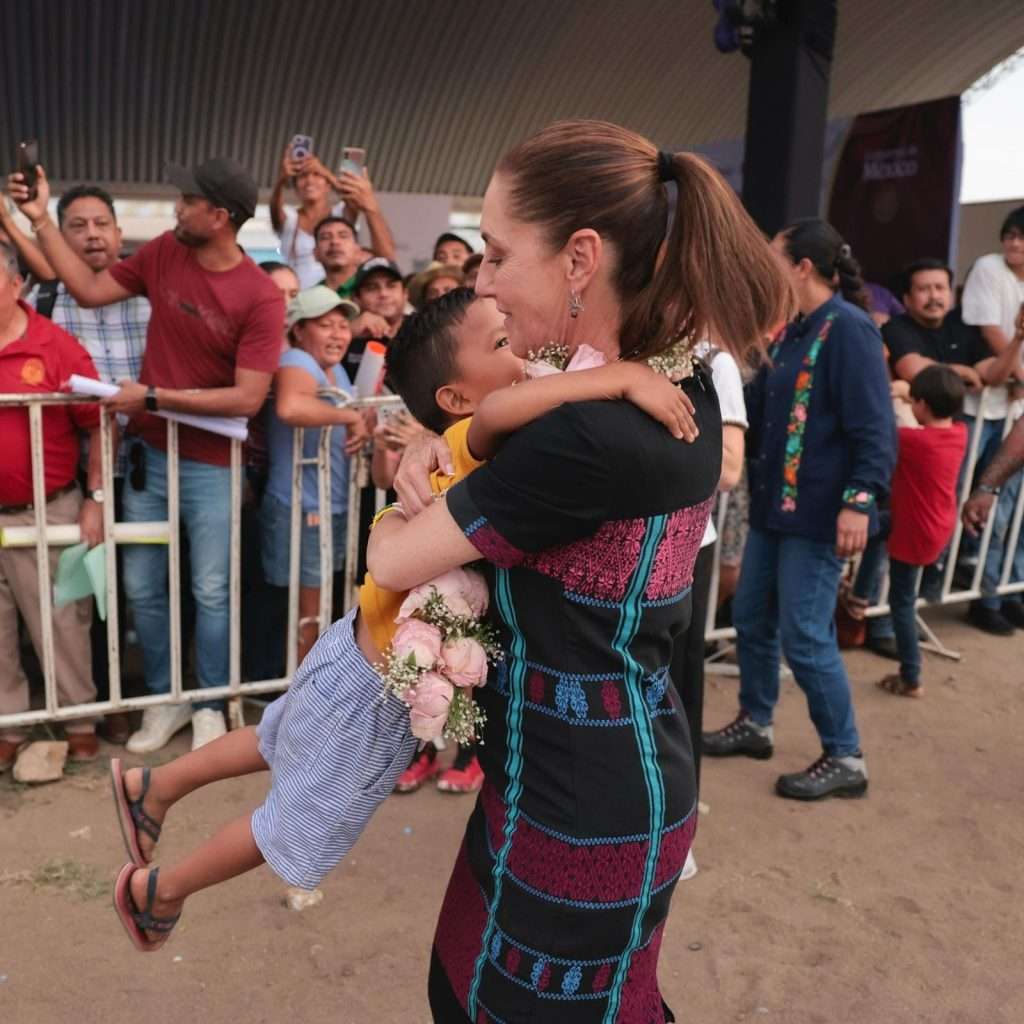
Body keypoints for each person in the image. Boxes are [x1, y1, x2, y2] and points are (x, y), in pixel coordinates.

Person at [107, 288, 692, 952]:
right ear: (457, 398)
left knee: (275, 735)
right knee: (292, 823)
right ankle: (160, 891)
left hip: (353, 651)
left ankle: (154, 785)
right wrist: (621, 378)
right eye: (502, 344)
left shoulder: (461, 439)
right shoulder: (475, 439)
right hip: (377, 688)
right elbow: (500, 407)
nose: (523, 352)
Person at [371, 120, 790, 1023]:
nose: (481, 282)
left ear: (580, 259)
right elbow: (497, 426)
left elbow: (393, 558)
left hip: (580, 804)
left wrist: (416, 478)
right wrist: (435, 446)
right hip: (584, 776)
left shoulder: (586, 435)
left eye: (496, 254)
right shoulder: (667, 382)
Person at [9, 157, 285, 754]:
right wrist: (39, 219)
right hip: (149, 459)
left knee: (211, 591)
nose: (176, 208)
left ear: (219, 216)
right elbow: (87, 291)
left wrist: (152, 397)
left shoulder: (261, 295)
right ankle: (165, 700)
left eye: (187, 200)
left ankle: (210, 703)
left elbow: (249, 396)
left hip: (214, 465)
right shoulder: (164, 251)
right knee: (142, 589)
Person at [703, 219, 896, 801]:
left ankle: (846, 755)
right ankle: (756, 722)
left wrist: (859, 501)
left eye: (773, 257)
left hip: (818, 516)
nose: (763, 267)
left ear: (802, 267)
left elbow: (875, 429)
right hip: (774, 511)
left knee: (806, 636)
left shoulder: (850, 330)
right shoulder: (793, 331)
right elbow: (757, 409)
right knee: (752, 617)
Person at [6, 184, 151, 742]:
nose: (92, 235)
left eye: (101, 224)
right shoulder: (51, 303)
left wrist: (96, 495)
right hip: (69, 474)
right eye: (78, 226)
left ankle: (112, 703)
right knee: (66, 598)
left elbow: (106, 413)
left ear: (118, 232)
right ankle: (53, 714)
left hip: (133, 471)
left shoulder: (145, 298)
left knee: (129, 595)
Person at [0, 240, 105, 769]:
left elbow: (100, 422)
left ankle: (79, 720)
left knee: (62, 620)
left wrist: (96, 498)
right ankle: (8, 724)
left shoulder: (56, 345)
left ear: (16, 284)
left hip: (49, 507)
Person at [669, 339, 747, 880]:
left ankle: (679, 830)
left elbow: (730, 468)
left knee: (677, 688)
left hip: (684, 545)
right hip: (614, 545)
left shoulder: (714, 363)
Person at [261, 286, 369, 664]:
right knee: (310, 612)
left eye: (343, 325)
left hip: (329, 503)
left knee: (321, 607)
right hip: (305, 505)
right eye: (325, 325)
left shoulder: (331, 368)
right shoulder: (296, 359)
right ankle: (302, 693)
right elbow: (291, 407)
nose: (338, 334)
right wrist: (350, 416)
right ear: (298, 330)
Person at [876, 365, 967, 698]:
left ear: (923, 405)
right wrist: (907, 396)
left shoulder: (915, 442)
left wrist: (896, 394)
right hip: (936, 525)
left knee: (901, 603)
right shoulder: (959, 434)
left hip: (914, 530)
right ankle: (858, 597)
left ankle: (911, 675)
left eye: (913, 400)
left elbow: (889, 431)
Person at [961, 208, 1024, 633]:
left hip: (1015, 407)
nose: (1013, 243)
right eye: (1009, 235)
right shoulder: (988, 267)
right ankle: (984, 598)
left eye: (1021, 237)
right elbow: (991, 332)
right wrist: (1020, 375)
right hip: (985, 408)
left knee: (1015, 511)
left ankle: (1008, 592)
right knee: (985, 505)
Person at [270, 145, 396, 288]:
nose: (310, 181)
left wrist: (325, 172)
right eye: (303, 176)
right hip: (301, 294)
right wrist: (282, 179)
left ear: (328, 185)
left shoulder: (341, 212)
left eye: (317, 175)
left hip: (341, 291)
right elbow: (274, 210)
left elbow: (354, 194)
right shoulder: (290, 218)